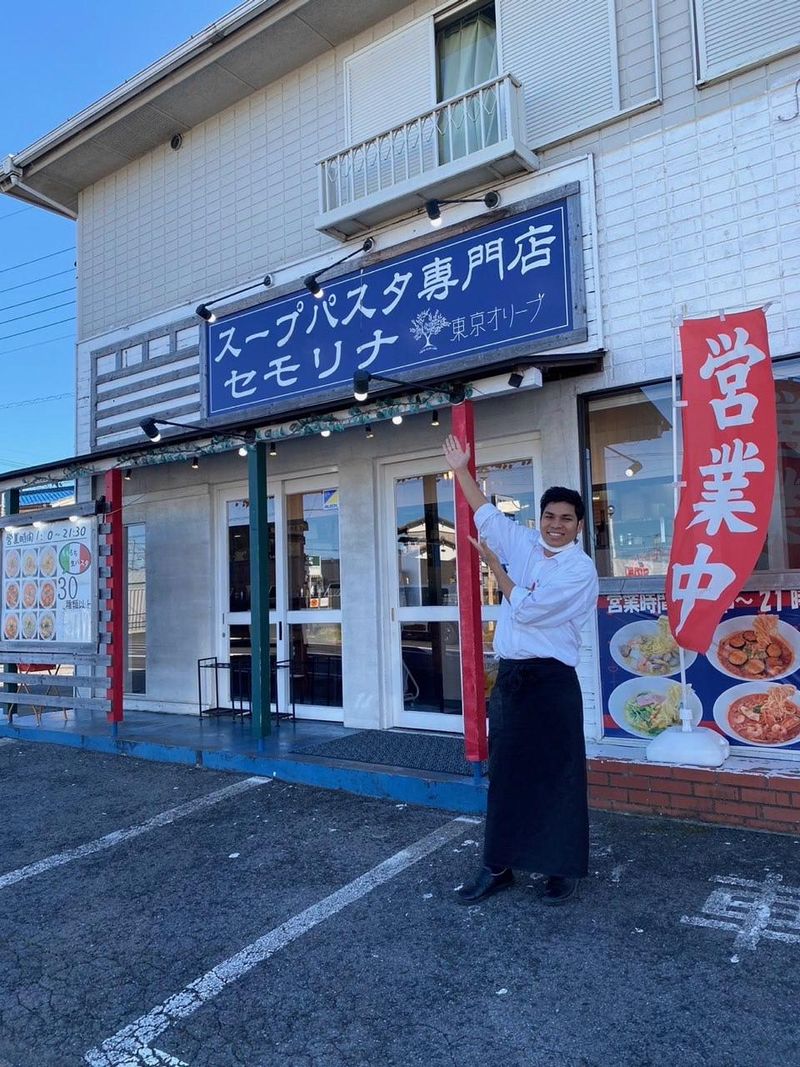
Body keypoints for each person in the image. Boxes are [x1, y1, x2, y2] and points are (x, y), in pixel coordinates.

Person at [442, 434, 599, 906]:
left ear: (579, 525)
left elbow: (528, 610)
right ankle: (498, 866)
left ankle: (560, 867)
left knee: (558, 774)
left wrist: (495, 568)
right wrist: (462, 468)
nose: (556, 525)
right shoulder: (526, 543)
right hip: (512, 680)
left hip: (551, 683)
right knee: (507, 775)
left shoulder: (580, 571)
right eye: (549, 516)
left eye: (566, 519)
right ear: (541, 518)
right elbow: (486, 515)